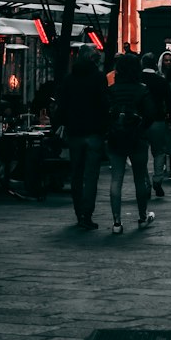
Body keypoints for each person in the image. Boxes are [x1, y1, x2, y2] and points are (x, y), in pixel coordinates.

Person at [56, 55, 109, 230]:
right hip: (94, 131)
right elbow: (103, 104)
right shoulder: (99, 78)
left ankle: (79, 212)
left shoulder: (70, 79)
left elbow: (62, 105)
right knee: (91, 175)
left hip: (75, 132)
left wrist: (60, 124)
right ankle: (87, 213)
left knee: (76, 174)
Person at [106, 53, 156, 233]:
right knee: (139, 178)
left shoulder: (112, 90)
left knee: (116, 179)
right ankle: (143, 217)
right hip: (136, 139)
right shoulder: (142, 89)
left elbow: (105, 113)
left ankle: (117, 222)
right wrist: (141, 128)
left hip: (116, 138)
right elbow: (151, 114)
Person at [141, 51, 171, 198]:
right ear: (156, 64)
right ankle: (157, 179)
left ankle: (145, 183)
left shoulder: (137, 79)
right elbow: (169, 101)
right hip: (158, 120)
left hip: (140, 122)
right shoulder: (161, 81)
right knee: (159, 152)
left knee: (141, 155)